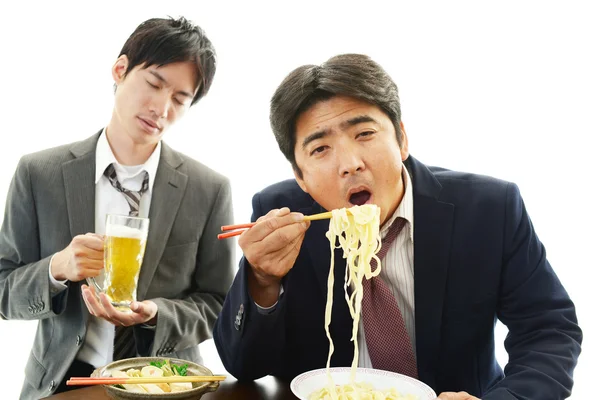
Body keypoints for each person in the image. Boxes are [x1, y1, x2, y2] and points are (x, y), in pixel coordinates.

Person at [213, 54, 582, 399]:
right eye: (320, 149)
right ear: (300, 176)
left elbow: (548, 328)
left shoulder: (489, 208)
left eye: (364, 134)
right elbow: (244, 365)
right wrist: (262, 280)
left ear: (401, 138)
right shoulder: (280, 213)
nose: (350, 164)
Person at [0, 16, 235, 399]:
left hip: (163, 381)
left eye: (179, 99)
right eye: (154, 83)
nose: (161, 108)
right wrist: (57, 268)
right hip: (64, 381)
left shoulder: (209, 189)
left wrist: (157, 314)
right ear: (121, 69)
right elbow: (3, 291)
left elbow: (219, 304)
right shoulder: (38, 173)